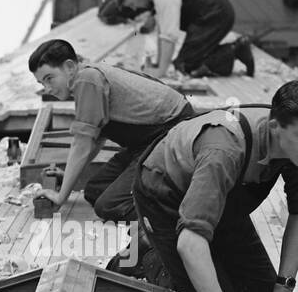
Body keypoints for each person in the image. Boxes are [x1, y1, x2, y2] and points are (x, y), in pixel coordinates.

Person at [132, 79, 298, 292]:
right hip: (165, 194)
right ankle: (152, 254)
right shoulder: (224, 148)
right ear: (274, 128)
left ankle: (204, 250)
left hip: (223, 200)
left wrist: (284, 284)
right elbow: (190, 242)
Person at [28, 38, 196, 222]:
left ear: (69, 66)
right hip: (146, 141)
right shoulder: (85, 73)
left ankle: (172, 217)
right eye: (41, 83)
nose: (47, 88)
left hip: (172, 133)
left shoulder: (87, 79)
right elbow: (94, 140)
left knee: (109, 205)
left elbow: (82, 145)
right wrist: (68, 174)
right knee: (95, 190)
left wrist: (61, 197)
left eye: (49, 78)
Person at [117, 0, 254, 80]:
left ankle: (235, 49)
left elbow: (168, 36)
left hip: (215, 15)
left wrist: (160, 71)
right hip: (209, 15)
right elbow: (162, 30)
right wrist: (158, 64)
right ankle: (233, 50)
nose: (135, 8)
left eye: (132, 4)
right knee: (182, 63)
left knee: (186, 66)